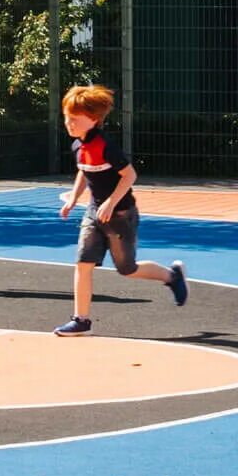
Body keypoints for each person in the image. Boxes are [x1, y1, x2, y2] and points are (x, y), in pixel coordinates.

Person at [51, 83, 185, 335]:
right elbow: (84, 171)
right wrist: (73, 198)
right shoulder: (78, 146)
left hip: (121, 215)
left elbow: (129, 175)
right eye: (66, 117)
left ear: (92, 119)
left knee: (127, 269)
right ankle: (81, 319)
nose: (68, 123)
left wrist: (111, 203)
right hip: (94, 213)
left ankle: (172, 276)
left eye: (74, 118)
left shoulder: (105, 146)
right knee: (83, 263)